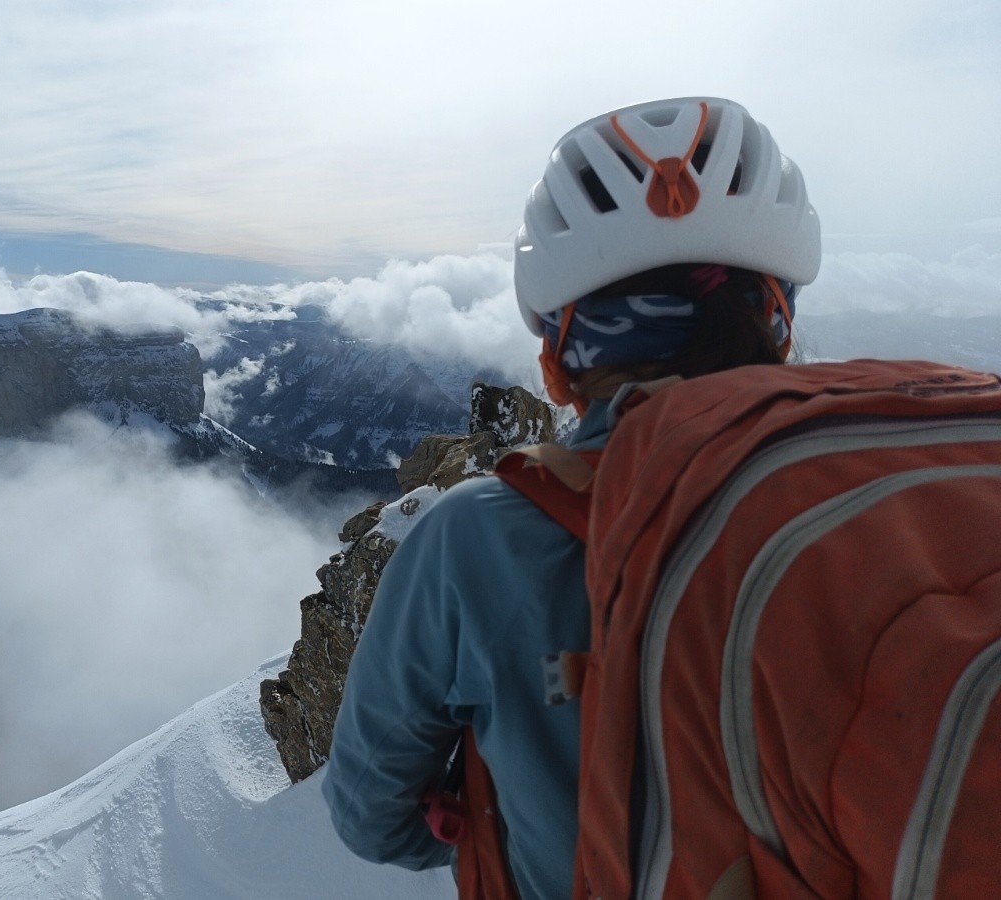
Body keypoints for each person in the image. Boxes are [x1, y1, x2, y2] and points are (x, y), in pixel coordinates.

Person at [321, 96, 821, 899]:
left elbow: (370, 814)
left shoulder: (472, 542)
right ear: (782, 325)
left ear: (556, 368)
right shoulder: (922, 504)